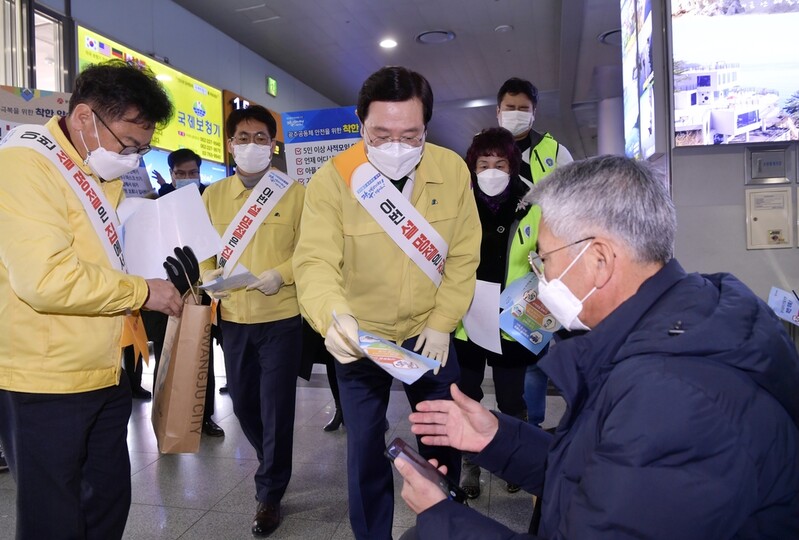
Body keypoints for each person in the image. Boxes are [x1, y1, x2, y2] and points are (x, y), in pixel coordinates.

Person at [394, 155, 799, 539]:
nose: (539, 278)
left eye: (543, 261)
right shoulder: (678, 320)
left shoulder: (675, 396)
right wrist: (499, 439)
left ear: (600, 260)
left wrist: (441, 518)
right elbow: (605, 473)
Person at [293, 66, 481, 540]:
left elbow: (462, 257)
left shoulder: (451, 170)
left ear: (426, 129)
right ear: (360, 124)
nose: (396, 145)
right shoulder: (333, 180)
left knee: (441, 439)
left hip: (428, 332)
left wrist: (443, 322)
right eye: (381, 133)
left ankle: (439, 527)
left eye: (409, 134)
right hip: (362, 335)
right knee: (363, 448)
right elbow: (315, 261)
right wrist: (334, 318)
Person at [0, 60, 183, 539]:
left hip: (104, 367)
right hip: (44, 379)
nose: (133, 159)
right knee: (53, 517)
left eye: (143, 150)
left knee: (107, 501)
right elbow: (47, 279)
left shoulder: (99, 175)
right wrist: (143, 291)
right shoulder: (25, 163)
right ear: (83, 118)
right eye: (128, 145)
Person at [199, 105, 305, 537]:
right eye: (243, 138)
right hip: (234, 317)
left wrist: (281, 274)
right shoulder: (212, 195)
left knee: (276, 406)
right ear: (230, 145)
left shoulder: (296, 193)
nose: (251, 145)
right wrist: (209, 278)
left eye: (261, 138)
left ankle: (270, 492)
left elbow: (310, 250)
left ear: (273, 145)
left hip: (281, 316)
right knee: (243, 403)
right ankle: (272, 461)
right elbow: (205, 249)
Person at [454, 127, 539, 498]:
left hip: (512, 321)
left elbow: (548, 250)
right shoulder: (459, 202)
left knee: (511, 400)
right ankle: (471, 465)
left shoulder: (533, 202)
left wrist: (545, 263)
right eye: (483, 163)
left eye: (499, 163)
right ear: (472, 166)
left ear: (512, 165)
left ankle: (514, 459)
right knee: (468, 395)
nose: (491, 170)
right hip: (467, 318)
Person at [126, 147, 225, 437]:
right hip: (161, 291)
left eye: (191, 173)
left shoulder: (209, 201)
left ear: (199, 173)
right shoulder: (153, 204)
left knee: (201, 352)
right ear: (171, 174)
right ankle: (164, 415)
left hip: (200, 289)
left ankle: (204, 416)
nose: (186, 178)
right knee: (166, 355)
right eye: (180, 173)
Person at [497, 77, 574, 430]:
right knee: (520, 361)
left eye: (523, 109)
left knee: (544, 356)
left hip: (549, 270)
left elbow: (574, 207)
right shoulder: (484, 154)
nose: (515, 115)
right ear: (498, 111)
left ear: (534, 112)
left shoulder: (555, 153)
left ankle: (540, 429)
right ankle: (524, 430)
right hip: (505, 276)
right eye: (509, 108)